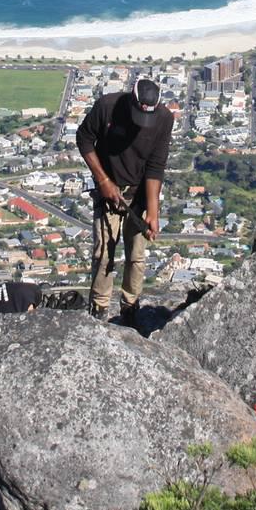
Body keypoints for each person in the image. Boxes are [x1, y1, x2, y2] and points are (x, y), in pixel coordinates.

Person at [75, 76, 173, 324]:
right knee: (104, 254)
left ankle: (130, 307)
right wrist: (103, 181)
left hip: (139, 194)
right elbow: (84, 138)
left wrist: (153, 212)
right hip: (109, 190)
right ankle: (98, 308)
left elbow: (155, 165)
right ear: (131, 99)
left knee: (137, 256)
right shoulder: (107, 106)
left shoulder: (163, 119)